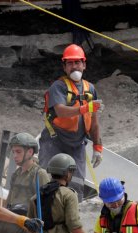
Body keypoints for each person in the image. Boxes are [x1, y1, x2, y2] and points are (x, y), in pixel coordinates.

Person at [39, 44, 103, 201]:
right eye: (70, 63)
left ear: (84, 64)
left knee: (76, 186)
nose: (74, 66)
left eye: (77, 62)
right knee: (47, 183)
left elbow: (94, 122)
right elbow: (60, 111)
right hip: (54, 142)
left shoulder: (90, 89)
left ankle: (73, 219)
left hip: (77, 144)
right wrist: (84, 108)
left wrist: (97, 146)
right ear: (64, 66)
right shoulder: (58, 87)